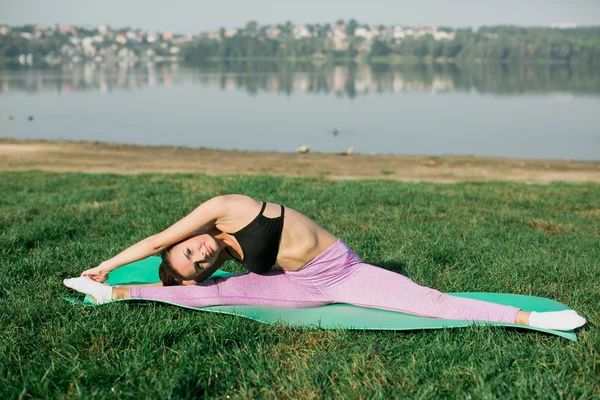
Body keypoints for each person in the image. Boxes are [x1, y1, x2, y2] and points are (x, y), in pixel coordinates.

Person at [64, 194, 586, 331]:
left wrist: (106, 263)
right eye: (195, 264)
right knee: (219, 295)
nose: (197, 255)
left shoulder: (223, 210)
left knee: (430, 303)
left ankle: (532, 320)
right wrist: (113, 282)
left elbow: (156, 238)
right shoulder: (225, 265)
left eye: (188, 253)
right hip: (299, 285)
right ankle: (115, 297)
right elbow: (191, 270)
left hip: (343, 271)